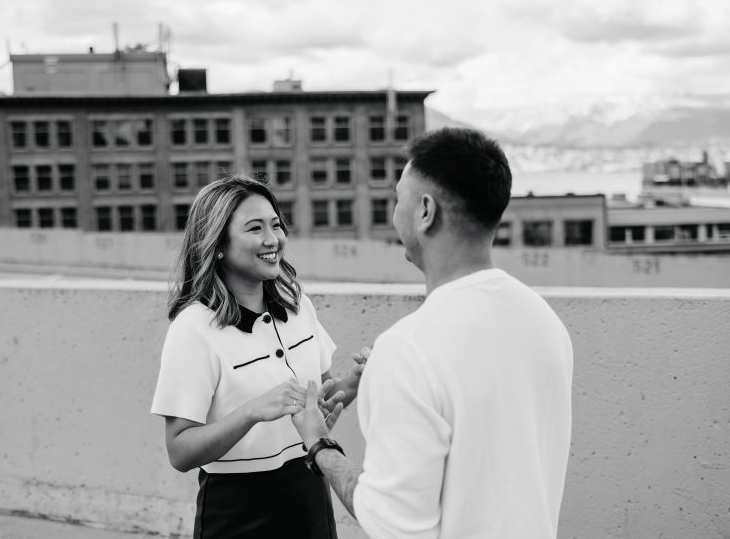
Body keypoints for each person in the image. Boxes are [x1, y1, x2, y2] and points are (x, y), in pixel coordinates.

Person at [292, 128, 574, 539]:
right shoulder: (544, 320)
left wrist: (319, 444)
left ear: (426, 211)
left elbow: (392, 524)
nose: (393, 214)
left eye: (396, 199)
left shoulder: (408, 349)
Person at [151, 174, 364, 539]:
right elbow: (180, 451)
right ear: (217, 244)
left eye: (276, 224)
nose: (273, 239)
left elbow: (321, 399)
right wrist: (251, 412)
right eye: (255, 228)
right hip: (239, 512)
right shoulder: (193, 329)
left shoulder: (300, 307)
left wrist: (357, 382)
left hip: (312, 494)